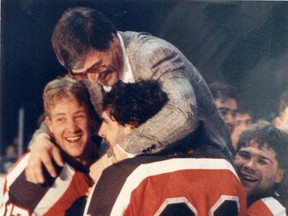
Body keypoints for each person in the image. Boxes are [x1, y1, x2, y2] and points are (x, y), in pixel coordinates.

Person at [26, 6, 234, 184]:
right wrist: (42, 138)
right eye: (81, 73)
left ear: (113, 39)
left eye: (97, 67)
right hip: (148, 169)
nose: (92, 79)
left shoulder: (153, 54)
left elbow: (182, 114)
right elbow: (65, 105)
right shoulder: (88, 74)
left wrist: (116, 155)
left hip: (206, 163)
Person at [85, 80, 247, 215]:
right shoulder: (224, 167)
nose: (101, 132)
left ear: (132, 125)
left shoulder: (119, 176)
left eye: (106, 122)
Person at [0, 76, 100, 215]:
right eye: (61, 119)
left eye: (79, 116)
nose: (72, 127)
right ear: (49, 125)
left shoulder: (108, 154)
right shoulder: (33, 171)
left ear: (92, 119)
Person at [234, 121, 288, 215]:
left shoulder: (275, 211)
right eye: (244, 155)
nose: (249, 165)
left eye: (262, 161)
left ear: (280, 175)